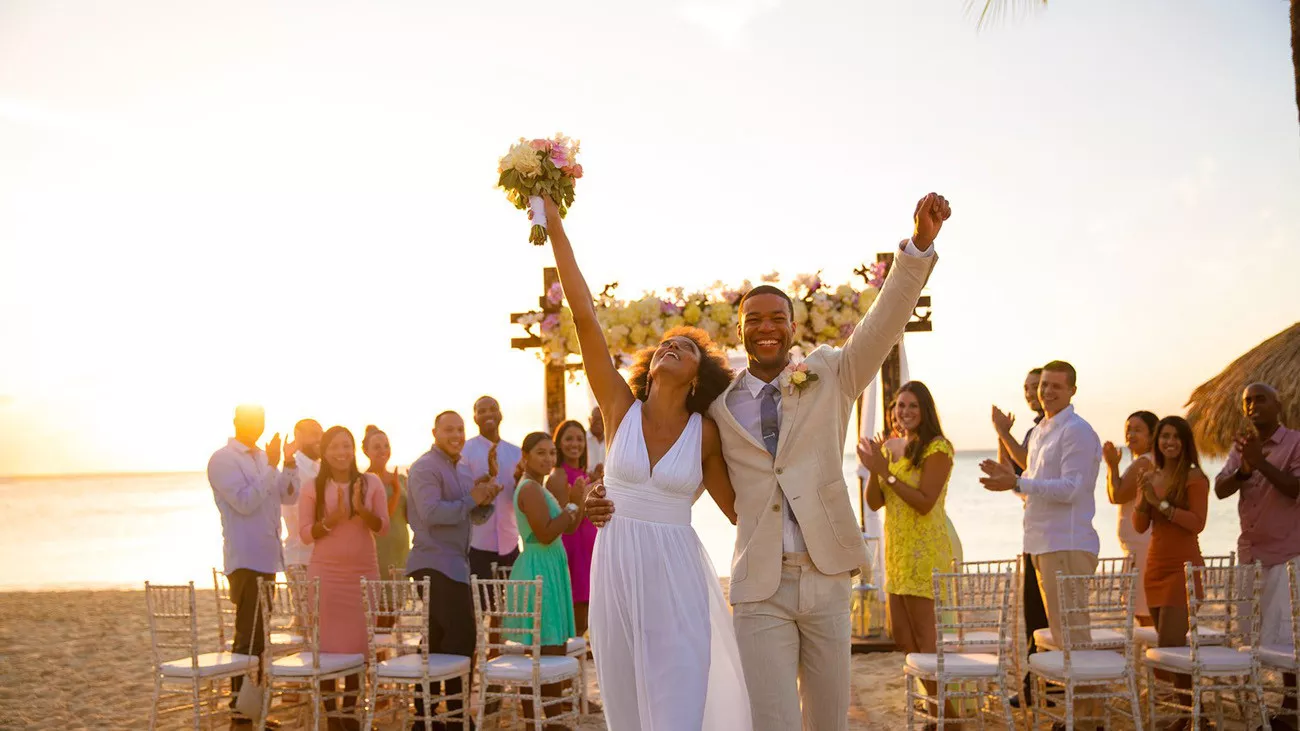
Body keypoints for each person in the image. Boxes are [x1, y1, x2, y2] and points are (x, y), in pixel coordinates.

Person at [586, 191, 950, 730]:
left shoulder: (832, 375)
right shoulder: (716, 410)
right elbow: (666, 458)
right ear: (741, 332)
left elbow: (884, 322)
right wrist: (608, 495)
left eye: (777, 317)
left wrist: (918, 246)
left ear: (793, 328)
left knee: (828, 720)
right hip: (759, 588)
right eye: (754, 319)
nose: (766, 327)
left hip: (827, 575)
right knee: (770, 722)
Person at [536, 195, 749, 731]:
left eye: (687, 346)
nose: (671, 346)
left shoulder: (705, 434)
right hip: (616, 565)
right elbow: (584, 316)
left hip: (677, 571)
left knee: (678, 700)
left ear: (698, 377)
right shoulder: (617, 408)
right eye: (666, 343)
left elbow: (741, 511)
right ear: (651, 367)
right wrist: (556, 225)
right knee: (627, 704)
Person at [979, 361, 1102, 730]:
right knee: (1060, 636)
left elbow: (1071, 489)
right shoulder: (1043, 431)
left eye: (1056, 387)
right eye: (1044, 385)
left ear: (1072, 391)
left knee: (1074, 636)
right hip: (1041, 544)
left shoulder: (1077, 432)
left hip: (1067, 543)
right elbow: (1032, 477)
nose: (1047, 392)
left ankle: (1086, 720)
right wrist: (1013, 477)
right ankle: (1078, 716)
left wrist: (1017, 484)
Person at [859, 381, 957, 719]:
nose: (905, 411)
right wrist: (875, 469)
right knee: (902, 636)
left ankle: (948, 717)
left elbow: (925, 503)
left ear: (925, 410)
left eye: (913, 405)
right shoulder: (893, 447)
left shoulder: (938, 448)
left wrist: (885, 473)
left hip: (924, 552)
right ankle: (936, 709)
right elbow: (874, 502)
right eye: (900, 405)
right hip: (898, 552)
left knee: (926, 643)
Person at [406, 410, 502, 731]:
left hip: (456, 567)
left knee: (438, 645)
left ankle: (430, 720)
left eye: (460, 429)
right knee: (461, 642)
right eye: (449, 429)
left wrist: (484, 498)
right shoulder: (423, 468)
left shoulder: (462, 468)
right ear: (434, 432)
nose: (456, 434)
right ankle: (456, 719)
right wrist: (470, 499)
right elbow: (432, 514)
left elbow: (471, 515)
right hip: (433, 566)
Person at [1215, 383, 1300, 731]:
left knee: (1289, 635)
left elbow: (1295, 488)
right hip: (1250, 553)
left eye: (1260, 399)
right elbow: (1221, 488)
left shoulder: (1295, 442)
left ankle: (1291, 708)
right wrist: (1245, 469)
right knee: (1253, 633)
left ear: (1278, 405)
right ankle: (1264, 705)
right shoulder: (1241, 448)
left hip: (1287, 553)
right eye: (1247, 400)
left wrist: (1260, 462)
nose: (1252, 405)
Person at [206, 405, 297, 725]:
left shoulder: (262, 458)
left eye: (259, 420)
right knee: (247, 635)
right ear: (235, 422)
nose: (255, 426)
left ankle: (251, 706)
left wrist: (286, 463)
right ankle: (239, 708)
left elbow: (288, 497)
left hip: (269, 556)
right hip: (245, 559)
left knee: (259, 636)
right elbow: (244, 502)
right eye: (248, 420)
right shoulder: (223, 459)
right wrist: (271, 465)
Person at [297, 426, 388, 729]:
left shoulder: (370, 482)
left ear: (354, 450)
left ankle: (349, 715)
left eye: (347, 446)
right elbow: (306, 535)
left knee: (357, 649)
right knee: (324, 650)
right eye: (335, 446)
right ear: (324, 452)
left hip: (363, 574)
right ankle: (332, 718)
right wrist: (331, 521)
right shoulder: (312, 486)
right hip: (326, 578)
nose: (341, 452)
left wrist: (361, 509)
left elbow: (383, 528)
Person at [1133, 415, 1208, 728]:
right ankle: (1188, 714)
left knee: (1171, 647)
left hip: (1184, 568)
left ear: (1185, 442)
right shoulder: (1153, 475)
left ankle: (1195, 716)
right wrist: (1144, 497)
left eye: (1176, 437)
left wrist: (1160, 504)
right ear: (1157, 441)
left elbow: (1196, 523)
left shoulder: (1195, 477)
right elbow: (1139, 526)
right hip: (1155, 567)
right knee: (1169, 647)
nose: (1170, 442)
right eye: (1165, 436)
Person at [504, 432, 584, 729]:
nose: (549, 458)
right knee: (547, 648)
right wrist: (572, 505)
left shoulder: (539, 487)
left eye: (552, 453)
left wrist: (579, 501)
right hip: (539, 568)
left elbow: (571, 527)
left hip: (550, 566)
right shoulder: (530, 489)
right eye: (541, 453)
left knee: (549, 646)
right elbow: (547, 532)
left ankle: (539, 721)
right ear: (525, 457)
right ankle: (550, 722)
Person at [990, 367, 1050, 707]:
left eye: (1036, 387)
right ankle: (1036, 685)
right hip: (1033, 532)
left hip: (1050, 536)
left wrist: (1003, 431)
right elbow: (1011, 475)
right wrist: (1002, 436)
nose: (1030, 393)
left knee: (1045, 616)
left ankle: (1043, 686)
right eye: (1027, 388)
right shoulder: (1033, 430)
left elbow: (1028, 464)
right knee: (1033, 615)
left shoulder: (1050, 431)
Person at [1102, 410, 1158, 626]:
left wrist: (1112, 465)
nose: (1131, 435)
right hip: (1139, 544)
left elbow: (1116, 495)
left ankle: (1152, 653)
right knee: (1142, 608)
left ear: (1152, 435)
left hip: (1142, 546)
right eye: (1128, 430)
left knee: (1143, 610)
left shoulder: (1144, 463)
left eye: (1138, 430)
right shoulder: (1146, 461)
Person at [462, 396, 522, 587]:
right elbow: (463, 494)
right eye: (482, 410)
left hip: (511, 542)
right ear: (475, 417)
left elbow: (520, 497)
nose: (488, 414)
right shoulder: (465, 451)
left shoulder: (517, 453)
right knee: (479, 607)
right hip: (476, 544)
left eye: (492, 409)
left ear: (500, 414)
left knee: (512, 606)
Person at [552, 419, 598, 640]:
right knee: (578, 621)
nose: (575, 444)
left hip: (590, 552)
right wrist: (582, 495)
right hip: (574, 551)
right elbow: (569, 523)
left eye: (579, 439)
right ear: (559, 444)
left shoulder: (583, 475)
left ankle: (576, 663)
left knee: (589, 616)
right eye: (569, 438)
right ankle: (568, 669)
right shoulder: (559, 475)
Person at [362, 425, 410, 582]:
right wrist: (396, 492)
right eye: (376, 447)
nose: (383, 450)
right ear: (366, 451)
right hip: (379, 551)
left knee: (400, 604)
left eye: (386, 446)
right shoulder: (364, 481)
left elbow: (409, 517)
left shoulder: (401, 478)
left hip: (401, 548)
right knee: (379, 602)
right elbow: (380, 521)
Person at [283, 419, 323, 575]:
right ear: (298, 437)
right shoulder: (295, 469)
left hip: (321, 557)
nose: (320, 439)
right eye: (314, 434)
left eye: (322, 434)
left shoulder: (319, 468)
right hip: (301, 559)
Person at [587, 406, 607, 475]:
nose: (599, 422)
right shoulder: (581, 440)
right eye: (595, 419)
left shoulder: (612, 441)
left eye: (602, 419)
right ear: (589, 420)